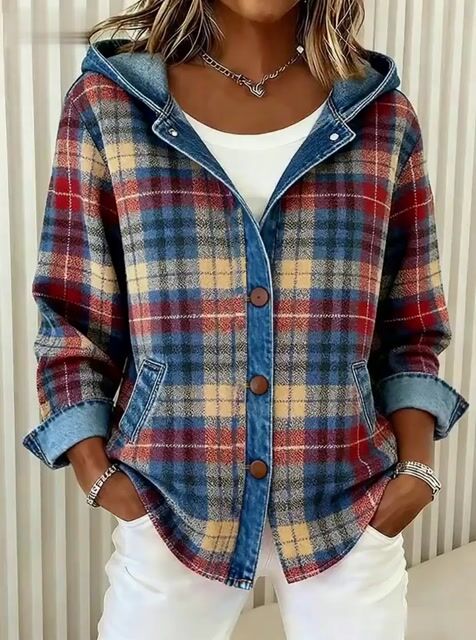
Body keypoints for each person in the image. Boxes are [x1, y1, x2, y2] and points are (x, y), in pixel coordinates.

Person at [22, 1, 469, 638]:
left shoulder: (380, 116)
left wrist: (417, 473)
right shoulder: (110, 106)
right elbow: (73, 313)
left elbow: (411, 321)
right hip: (171, 503)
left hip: (349, 501)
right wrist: (98, 476)